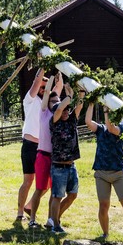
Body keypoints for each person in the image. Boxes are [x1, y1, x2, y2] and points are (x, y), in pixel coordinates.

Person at [85, 103, 123, 242]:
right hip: (101, 173)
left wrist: (106, 111)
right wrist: (91, 103)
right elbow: (87, 121)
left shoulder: (122, 128)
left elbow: (111, 128)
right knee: (103, 205)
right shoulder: (100, 129)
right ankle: (105, 234)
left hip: (118, 174)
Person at [28, 73, 63, 228]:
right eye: (53, 101)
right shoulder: (44, 113)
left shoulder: (60, 117)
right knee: (39, 188)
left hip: (56, 158)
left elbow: (61, 91)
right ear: (47, 103)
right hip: (43, 156)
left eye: (58, 101)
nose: (55, 103)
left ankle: (50, 219)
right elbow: (48, 93)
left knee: (54, 191)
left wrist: (60, 79)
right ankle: (32, 219)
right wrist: (50, 82)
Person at [48, 81, 82, 234]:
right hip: (58, 166)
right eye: (63, 110)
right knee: (57, 196)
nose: (66, 112)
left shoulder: (71, 121)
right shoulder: (54, 122)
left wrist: (81, 91)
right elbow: (60, 107)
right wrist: (69, 95)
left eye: (68, 110)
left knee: (73, 195)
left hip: (71, 165)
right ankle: (55, 225)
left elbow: (80, 106)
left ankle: (56, 219)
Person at [17, 68, 46, 221]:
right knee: (28, 181)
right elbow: (36, 82)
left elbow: (57, 88)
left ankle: (29, 206)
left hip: (43, 148)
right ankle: (20, 212)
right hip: (29, 145)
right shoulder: (30, 100)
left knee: (46, 182)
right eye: (41, 86)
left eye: (45, 87)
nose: (42, 89)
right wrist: (43, 67)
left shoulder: (47, 105)